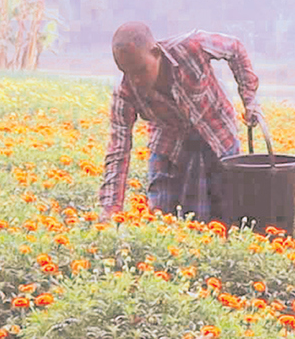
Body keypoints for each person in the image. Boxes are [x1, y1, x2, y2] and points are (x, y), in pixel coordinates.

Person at [98, 22, 262, 223]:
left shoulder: (192, 46)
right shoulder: (125, 93)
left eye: (141, 70)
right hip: (170, 145)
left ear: (156, 53)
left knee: (223, 213)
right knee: (162, 217)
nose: (136, 80)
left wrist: (249, 99)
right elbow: (118, 150)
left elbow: (235, 48)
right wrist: (111, 208)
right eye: (127, 72)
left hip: (217, 135)